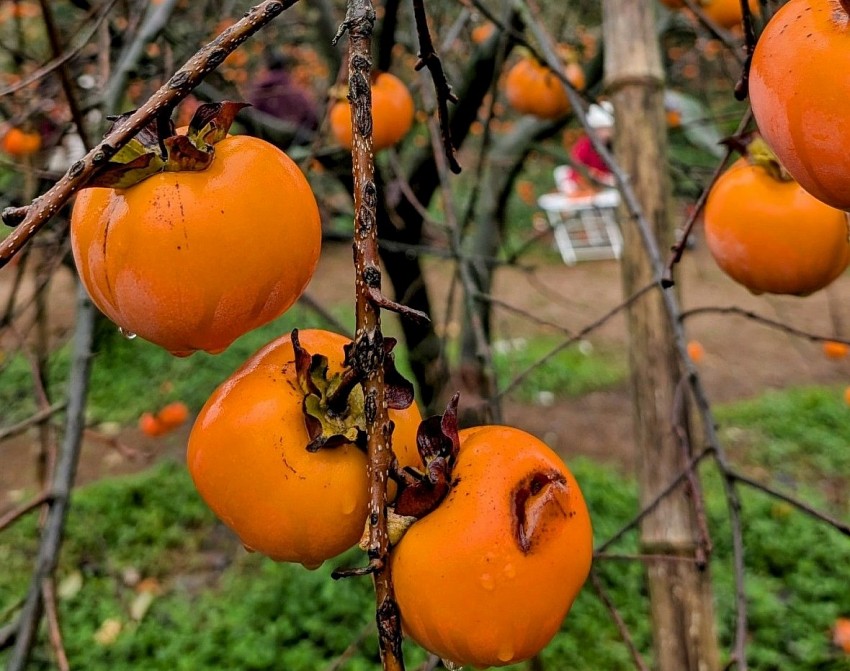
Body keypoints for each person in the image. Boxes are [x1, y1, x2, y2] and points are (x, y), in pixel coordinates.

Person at [247, 52, 319, 147]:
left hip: (265, 146)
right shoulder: (296, 91)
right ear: (285, 67)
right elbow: (312, 117)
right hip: (294, 145)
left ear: (268, 67)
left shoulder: (259, 92)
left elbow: (251, 118)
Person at [570, 100, 615, 187]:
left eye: (606, 129)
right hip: (591, 187)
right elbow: (575, 168)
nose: (603, 134)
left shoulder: (619, 147)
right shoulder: (584, 146)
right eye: (598, 130)